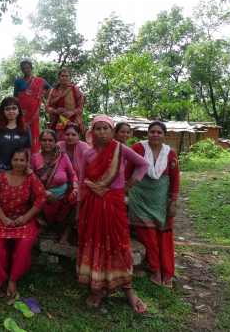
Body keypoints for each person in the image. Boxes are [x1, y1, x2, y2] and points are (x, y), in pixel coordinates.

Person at [76, 115, 150, 313]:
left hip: (114, 204)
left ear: (112, 131)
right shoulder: (88, 154)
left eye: (105, 128)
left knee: (119, 244)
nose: (102, 132)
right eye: (98, 128)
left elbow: (143, 164)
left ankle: (128, 290)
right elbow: (82, 178)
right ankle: (97, 289)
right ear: (92, 131)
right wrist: (78, 206)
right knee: (93, 245)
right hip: (91, 205)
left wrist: (128, 185)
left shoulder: (120, 149)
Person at [125, 121, 179, 289]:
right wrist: (123, 192)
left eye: (159, 132)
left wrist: (173, 202)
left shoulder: (171, 154)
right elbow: (127, 172)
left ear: (164, 135)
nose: (155, 135)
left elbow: (174, 178)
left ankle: (167, 271)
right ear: (147, 133)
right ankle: (155, 269)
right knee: (148, 235)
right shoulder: (138, 148)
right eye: (152, 132)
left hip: (160, 200)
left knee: (164, 235)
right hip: (139, 198)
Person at [0, 149, 46, 299]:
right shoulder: (1, 177)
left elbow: (41, 197)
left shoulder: (31, 178)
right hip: (1, 219)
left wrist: (26, 217)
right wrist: (3, 219)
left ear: (27, 162)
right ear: (11, 161)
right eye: (15, 160)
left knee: (25, 243)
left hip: (23, 220)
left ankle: (13, 279)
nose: (18, 163)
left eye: (22, 160)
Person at [31, 129, 78, 246]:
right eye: (44, 140)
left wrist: (76, 188)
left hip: (63, 193)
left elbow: (72, 175)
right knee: (30, 196)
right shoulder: (34, 158)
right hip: (42, 193)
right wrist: (44, 192)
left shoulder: (62, 157)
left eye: (50, 140)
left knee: (77, 200)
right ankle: (42, 226)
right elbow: (30, 179)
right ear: (40, 142)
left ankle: (66, 233)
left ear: (55, 142)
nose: (47, 143)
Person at [0, 96, 32, 185]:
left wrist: (27, 165)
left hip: (20, 167)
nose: (11, 111)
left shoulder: (25, 128)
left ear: (18, 110)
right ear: (3, 112)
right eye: (7, 109)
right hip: (3, 166)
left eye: (14, 108)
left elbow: (28, 150)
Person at [13, 60, 51, 153]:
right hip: (21, 111)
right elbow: (15, 97)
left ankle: (34, 152)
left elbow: (50, 88)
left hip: (34, 111)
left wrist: (42, 95)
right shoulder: (18, 81)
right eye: (24, 68)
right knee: (21, 128)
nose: (26, 70)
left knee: (33, 130)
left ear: (31, 69)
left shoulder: (38, 81)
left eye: (28, 68)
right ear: (21, 69)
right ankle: (20, 151)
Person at [45, 68, 84, 141]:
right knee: (59, 143)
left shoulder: (76, 90)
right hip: (57, 122)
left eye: (66, 76)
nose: (64, 78)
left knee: (73, 142)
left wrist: (72, 112)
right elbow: (47, 108)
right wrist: (56, 111)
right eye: (62, 76)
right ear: (59, 78)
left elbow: (81, 107)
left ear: (70, 78)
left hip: (73, 121)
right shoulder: (54, 90)